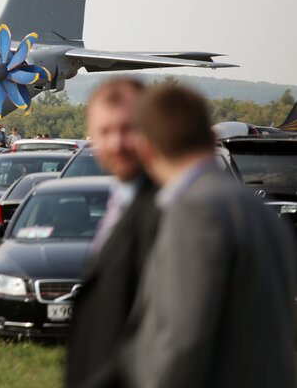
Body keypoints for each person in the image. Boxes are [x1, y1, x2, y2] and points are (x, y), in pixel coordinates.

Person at [124, 85, 295, 388]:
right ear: (211, 138)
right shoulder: (263, 214)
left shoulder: (194, 213)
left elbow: (183, 338)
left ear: (146, 148)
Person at [65, 78, 160, 388]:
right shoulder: (121, 203)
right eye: (105, 132)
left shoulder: (169, 211)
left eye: (127, 129)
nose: (116, 143)